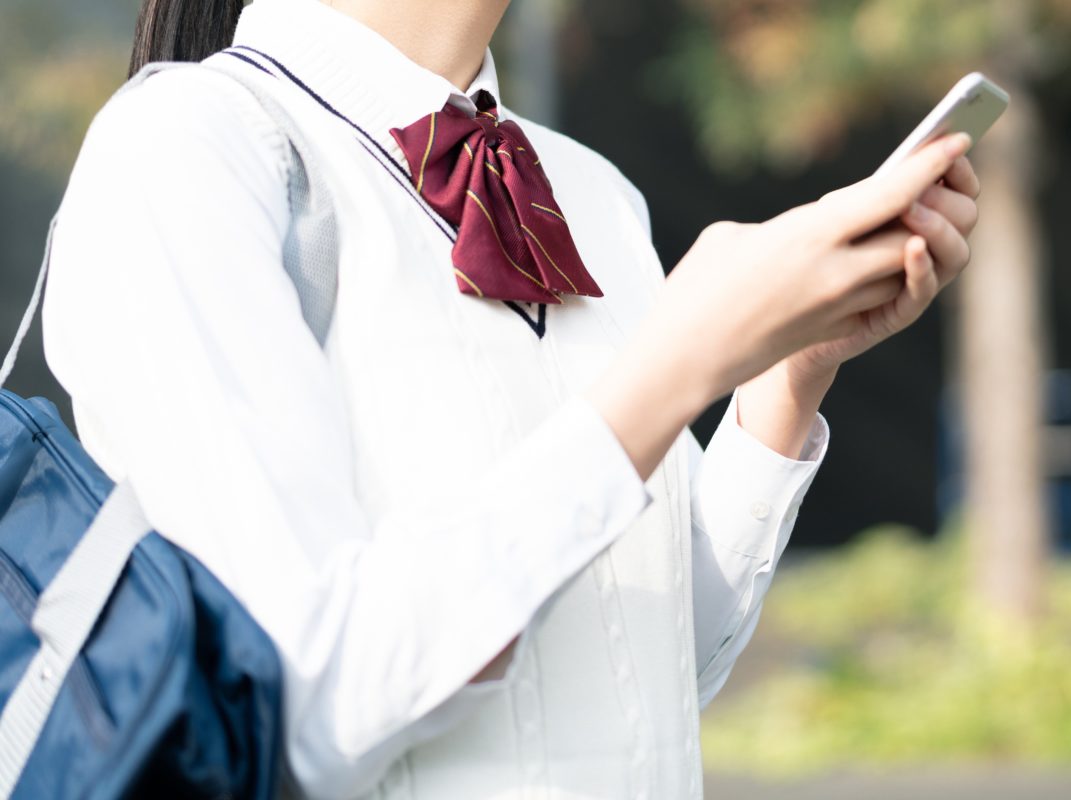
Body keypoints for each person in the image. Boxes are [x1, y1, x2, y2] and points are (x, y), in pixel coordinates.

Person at [41, 0, 980, 797]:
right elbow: (300, 692)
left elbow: (650, 664)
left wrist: (787, 372)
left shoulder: (587, 193)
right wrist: (681, 363)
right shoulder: (187, 151)